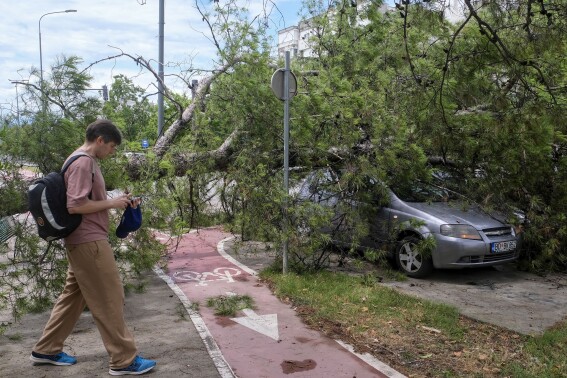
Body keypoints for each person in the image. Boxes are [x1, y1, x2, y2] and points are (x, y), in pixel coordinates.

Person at [29, 119, 156, 376]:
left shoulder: (78, 159)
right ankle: (123, 360)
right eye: (112, 147)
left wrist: (116, 200)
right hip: (89, 242)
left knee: (72, 298)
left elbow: (84, 200)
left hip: (82, 242)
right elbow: (75, 205)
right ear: (100, 140)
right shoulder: (84, 161)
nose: (113, 152)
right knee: (109, 298)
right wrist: (112, 204)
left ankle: (46, 349)